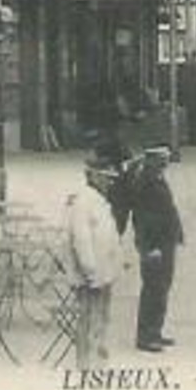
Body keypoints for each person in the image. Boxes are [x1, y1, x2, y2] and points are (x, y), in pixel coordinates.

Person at [63, 154, 125, 370]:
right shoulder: (83, 203)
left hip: (103, 273)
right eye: (106, 177)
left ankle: (98, 363)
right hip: (91, 277)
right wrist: (91, 273)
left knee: (101, 321)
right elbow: (82, 241)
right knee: (88, 321)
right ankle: (85, 366)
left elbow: (109, 236)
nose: (110, 182)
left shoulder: (99, 201)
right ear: (94, 177)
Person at [130, 146, 185, 352]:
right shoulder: (147, 183)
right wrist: (150, 247)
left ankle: (155, 331)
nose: (167, 162)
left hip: (164, 243)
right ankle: (146, 336)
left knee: (161, 288)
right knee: (154, 289)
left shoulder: (155, 178)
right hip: (155, 245)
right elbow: (143, 220)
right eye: (163, 158)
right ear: (154, 160)